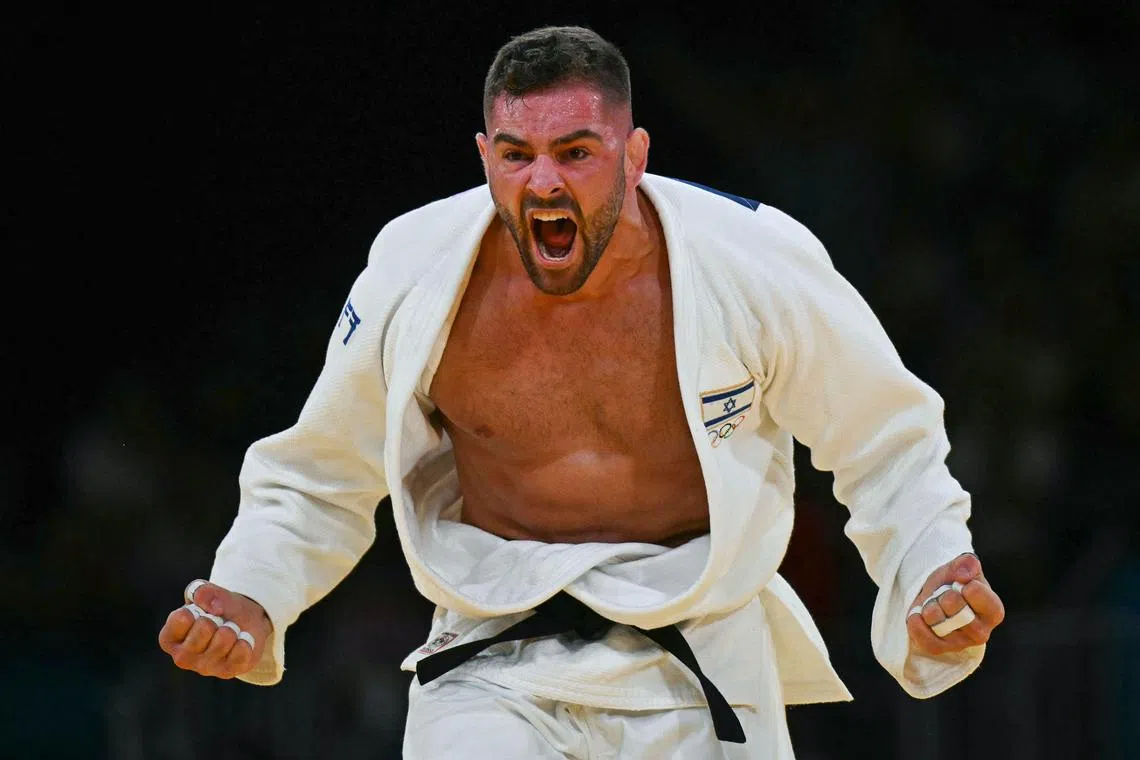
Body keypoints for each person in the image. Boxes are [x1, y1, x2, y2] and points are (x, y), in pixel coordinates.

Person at [157, 25, 1005, 758]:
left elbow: (883, 442)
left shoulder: (754, 260)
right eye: (517, 156)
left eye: (576, 152)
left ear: (634, 156)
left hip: (701, 657)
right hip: (487, 663)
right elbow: (322, 470)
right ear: (485, 158)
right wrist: (252, 589)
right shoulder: (415, 271)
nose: (545, 184)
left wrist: (930, 564)